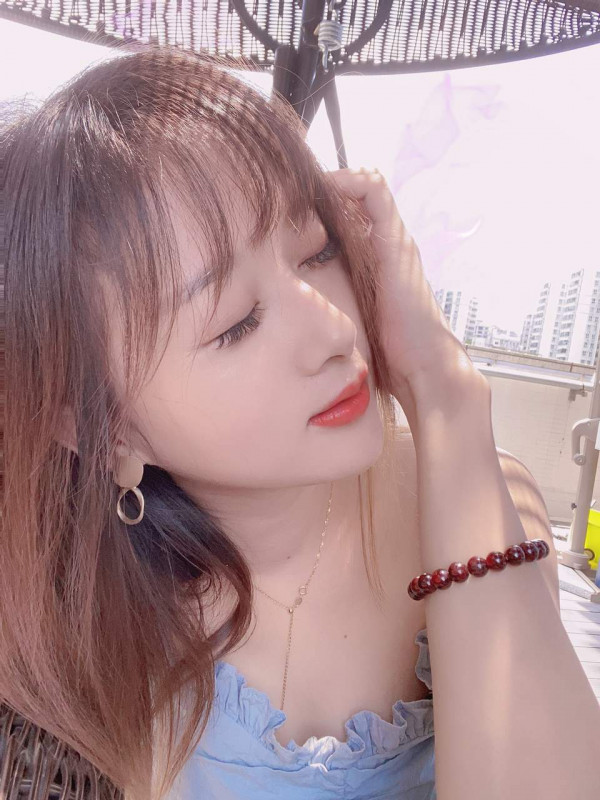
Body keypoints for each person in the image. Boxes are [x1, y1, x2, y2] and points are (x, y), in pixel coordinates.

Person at [2, 45, 598, 800]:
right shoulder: (83, 605)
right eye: (237, 323)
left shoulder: (480, 493)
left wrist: (446, 395)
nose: (334, 331)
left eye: (317, 252)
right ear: (106, 431)